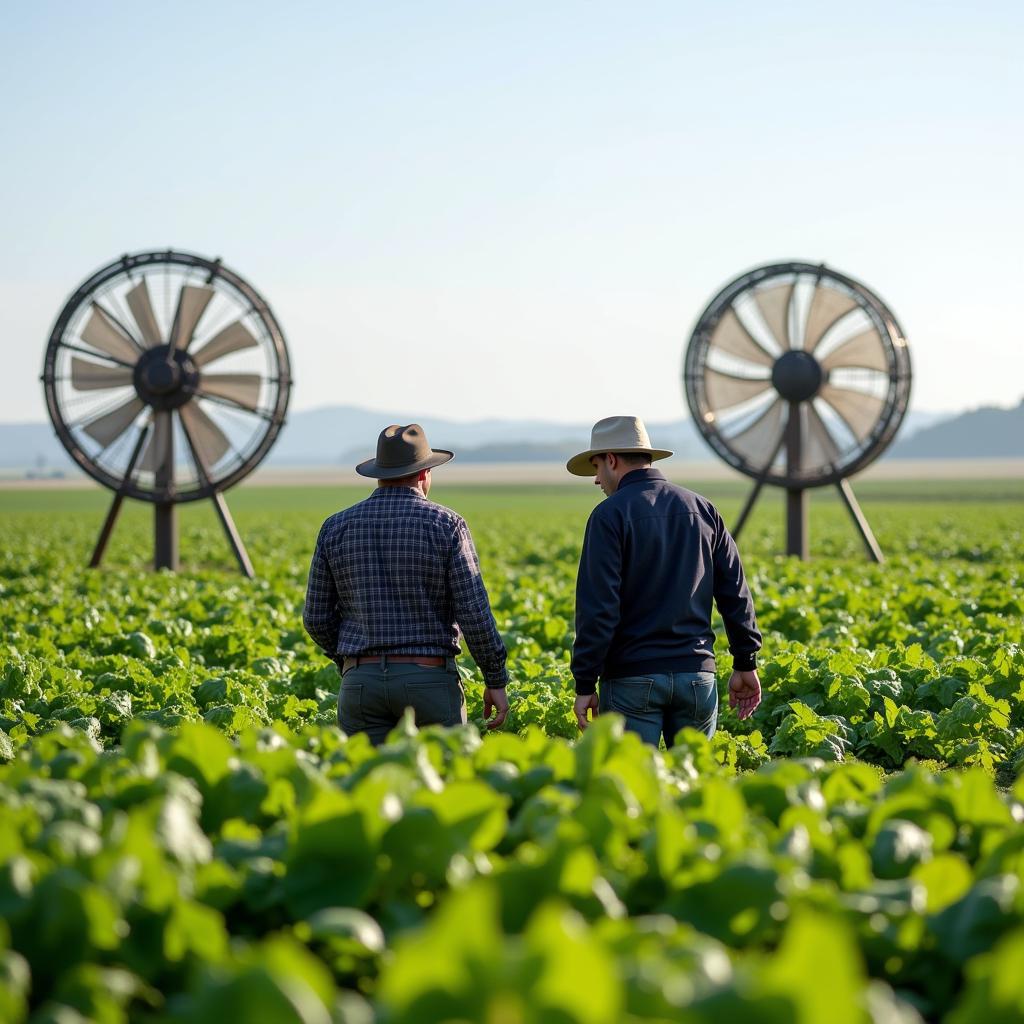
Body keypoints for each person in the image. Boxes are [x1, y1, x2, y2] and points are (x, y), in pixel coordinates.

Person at [303, 423, 509, 744]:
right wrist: (495, 678)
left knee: (365, 786)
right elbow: (474, 613)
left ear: (379, 473)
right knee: (441, 780)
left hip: (361, 683)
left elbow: (316, 618)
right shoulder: (447, 525)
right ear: (424, 474)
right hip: (429, 679)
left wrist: (351, 661)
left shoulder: (335, 527)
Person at [566, 415, 762, 746]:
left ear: (611, 460)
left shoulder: (609, 515)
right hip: (698, 676)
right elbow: (736, 594)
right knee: (693, 785)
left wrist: (585, 683)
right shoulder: (703, 509)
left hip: (632, 678)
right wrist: (746, 662)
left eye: (597, 467)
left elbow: (599, 609)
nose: (597, 479)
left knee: (634, 787)